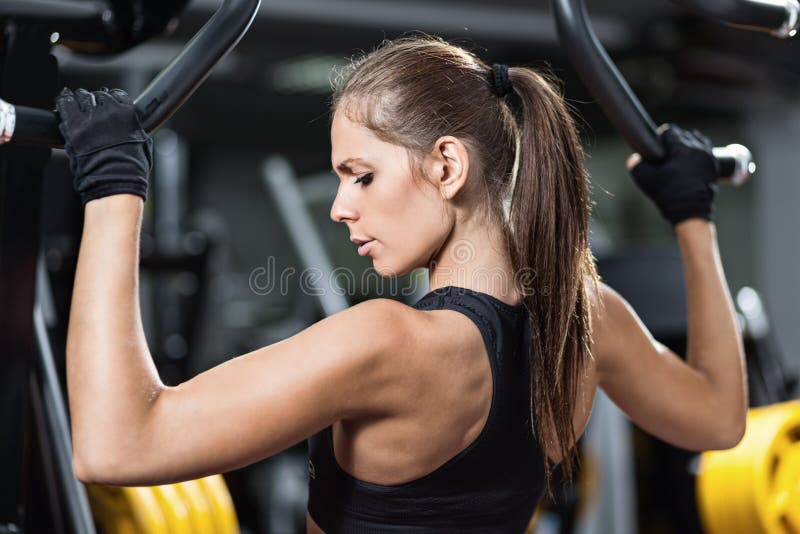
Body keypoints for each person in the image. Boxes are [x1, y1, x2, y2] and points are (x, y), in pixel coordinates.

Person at [58, 36, 746, 533]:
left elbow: (114, 445)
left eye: (361, 175)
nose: (339, 206)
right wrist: (693, 217)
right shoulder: (588, 319)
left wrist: (114, 189)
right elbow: (720, 419)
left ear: (447, 167)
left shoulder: (389, 343)